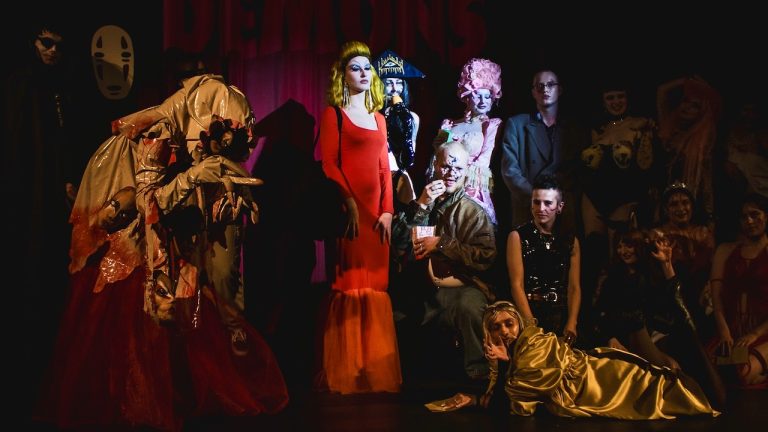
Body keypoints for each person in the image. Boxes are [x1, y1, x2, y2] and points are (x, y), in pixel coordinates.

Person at [316, 40, 401, 394]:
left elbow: (384, 170)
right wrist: (349, 202)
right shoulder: (334, 114)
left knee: (376, 288)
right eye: (356, 67)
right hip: (350, 215)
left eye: (368, 68)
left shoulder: (379, 117)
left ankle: (373, 371)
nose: (364, 73)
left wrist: (388, 211)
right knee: (350, 287)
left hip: (376, 217)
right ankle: (347, 372)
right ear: (343, 74)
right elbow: (330, 164)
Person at [475, 301, 719, 419]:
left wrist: (505, 365)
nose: (505, 332)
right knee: (650, 386)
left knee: (651, 385)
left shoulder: (534, 342)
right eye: (496, 328)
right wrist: (502, 364)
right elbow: (504, 401)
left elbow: (518, 403)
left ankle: (696, 382)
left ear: (519, 322)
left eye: (509, 324)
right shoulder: (516, 354)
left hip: (596, 376)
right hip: (594, 382)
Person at [392, 141, 497, 381]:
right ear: (435, 167)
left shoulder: (473, 211)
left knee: (469, 307)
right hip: (422, 286)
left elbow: (486, 257)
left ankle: (479, 378)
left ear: (466, 170)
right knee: (397, 313)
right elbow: (397, 244)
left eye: (457, 168)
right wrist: (421, 206)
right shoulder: (422, 202)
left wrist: (442, 243)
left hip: (462, 285)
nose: (451, 174)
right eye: (445, 167)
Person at [592, 228, 726, 406]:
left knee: (687, 351)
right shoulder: (613, 278)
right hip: (628, 337)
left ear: (641, 247)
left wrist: (667, 264)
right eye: (620, 246)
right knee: (669, 366)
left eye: (629, 246)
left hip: (660, 336)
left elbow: (677, 302)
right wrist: (610, 337)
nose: (623, 251)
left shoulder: (651, 275)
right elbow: (600, 313)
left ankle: (702, 396)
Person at [500, 69, 586, 230]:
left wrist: (556, 198)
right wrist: (537, 198)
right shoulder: (517, 124)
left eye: (550, 85)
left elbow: (578, 170)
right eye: (540, 86)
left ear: (559, 90)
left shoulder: (573, 129)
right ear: (533, 92)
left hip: (562, 207)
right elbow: (509, 170)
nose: (545, 89)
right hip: (527, 206)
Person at [507, 175, 581, 341]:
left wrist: (572, 323)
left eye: (548, 203)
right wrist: (531, 325)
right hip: (531, 310)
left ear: (559, 207)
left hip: (560, 313)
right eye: (536, 202)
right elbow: (516, 285)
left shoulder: (571, 241)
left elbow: (574, 287)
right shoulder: (517, 236)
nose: (541, 208)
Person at [429, 58, 502, 224]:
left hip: (471, 190)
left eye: (488, 96)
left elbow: (484, 160)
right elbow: (436, 157)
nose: (483, 101)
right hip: (444, 185)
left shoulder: (490, 126)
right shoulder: (449, 124)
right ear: (467, 96)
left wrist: (459, 178)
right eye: (478, 96)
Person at [709, 193, 768, 389]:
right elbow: (716, 296)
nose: (749, 221)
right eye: (744, 217)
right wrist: (724, 331)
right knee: (708, 374)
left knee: (742, 374)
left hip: (763, 333)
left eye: (755, 214)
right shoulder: (725, 250)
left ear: (765, 216)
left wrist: (754, 334)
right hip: (732, 333)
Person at [657, 76, 721, 219]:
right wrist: (687, 81)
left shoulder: (702, 142)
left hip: (685, 205)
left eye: (695, 106)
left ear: (702, 112)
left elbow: (706, 183)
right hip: (660, 198)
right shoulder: (668, 127)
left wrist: (710, 216)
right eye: (686, 101)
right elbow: (662, 91)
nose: (687, 107)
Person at [374, 48, 425, 211]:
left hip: (398, 175)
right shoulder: (371, 116)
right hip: (373, 175)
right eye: (389, 83)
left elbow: (410, 158)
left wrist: (404, 120)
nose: (395, 89)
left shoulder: (412, 118)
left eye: (399, 83)